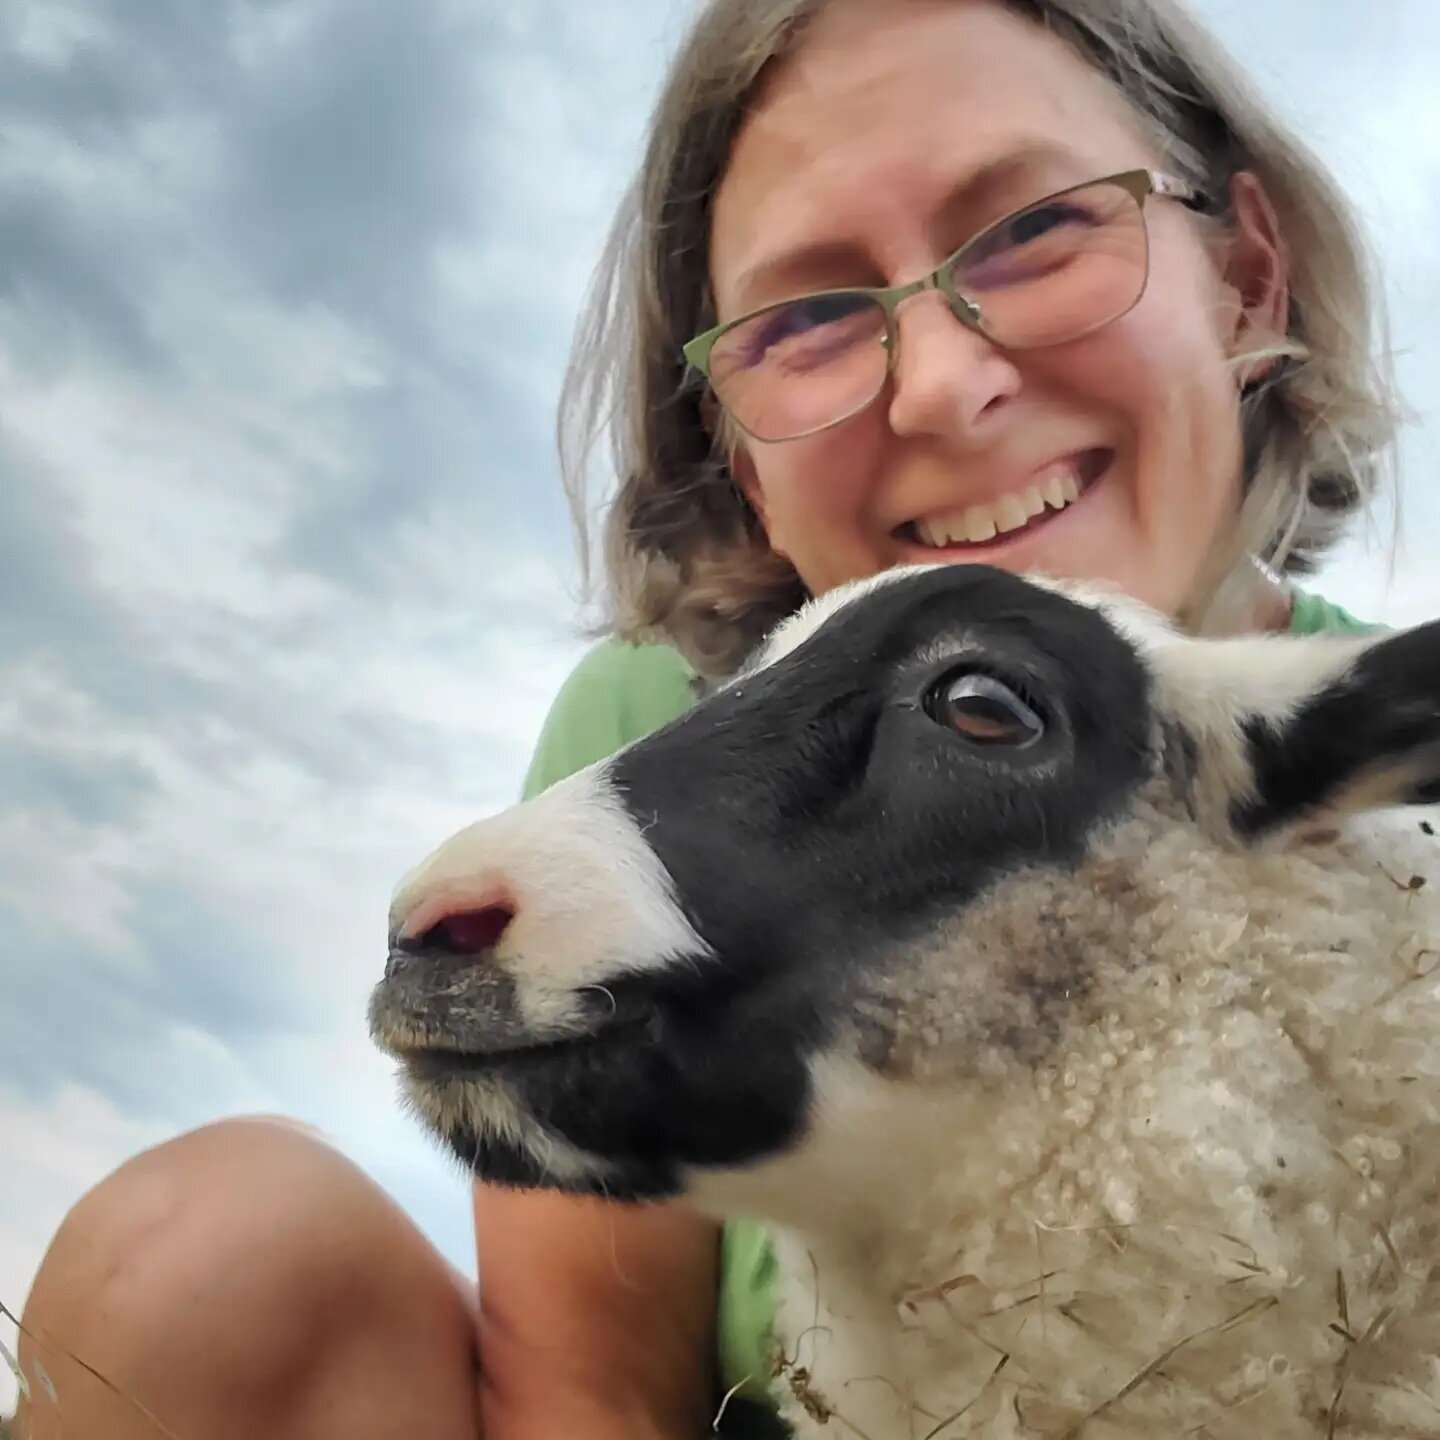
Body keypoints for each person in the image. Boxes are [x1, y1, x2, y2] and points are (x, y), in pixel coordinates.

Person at [15, 0, 1399, 1437]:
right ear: (740, 452)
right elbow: (590, 1401)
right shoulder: (651, 729)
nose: (940, 383)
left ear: (1245, 279)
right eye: (806, 320)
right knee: (213, 1255)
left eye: (1037, 232)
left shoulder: (1404, 811)